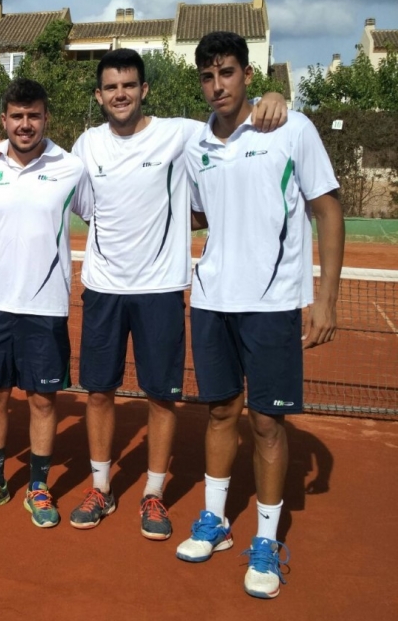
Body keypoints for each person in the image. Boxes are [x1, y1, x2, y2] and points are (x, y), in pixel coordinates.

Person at [66, 49, 288, 541]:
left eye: (129, 85)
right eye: (110, 87)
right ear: (100, 95)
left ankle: (152, 494)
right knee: (98, 392)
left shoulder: (182, 134)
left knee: (161, 396)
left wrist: (273, 97)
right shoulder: (86, 144)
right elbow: (85, 206)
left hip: (162, 290)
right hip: (102, 288)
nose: (120, 94)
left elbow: (233, 123)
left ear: (144, 90)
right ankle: (100, 486)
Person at [176, 32, 343, 600]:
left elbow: (327, 208)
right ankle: (215, 519)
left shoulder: (291, 129)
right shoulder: (196, 143)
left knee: (267, 423)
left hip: (272, 306)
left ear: (248, 74)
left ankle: (267, 541)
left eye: (226, 72)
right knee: (221, 413)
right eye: (206, 75)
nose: (216, 85)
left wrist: (326, 298)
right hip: (212, 301)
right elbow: (201, 213)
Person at [0, 78, 86, 528]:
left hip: (45, 307)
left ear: (46, 118)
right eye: (17, 116)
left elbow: (98, 215)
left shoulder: (72, 168)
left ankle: (38, 486)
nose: (25, 124)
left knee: (43, 400)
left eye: (34, 115)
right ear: (3, 120)